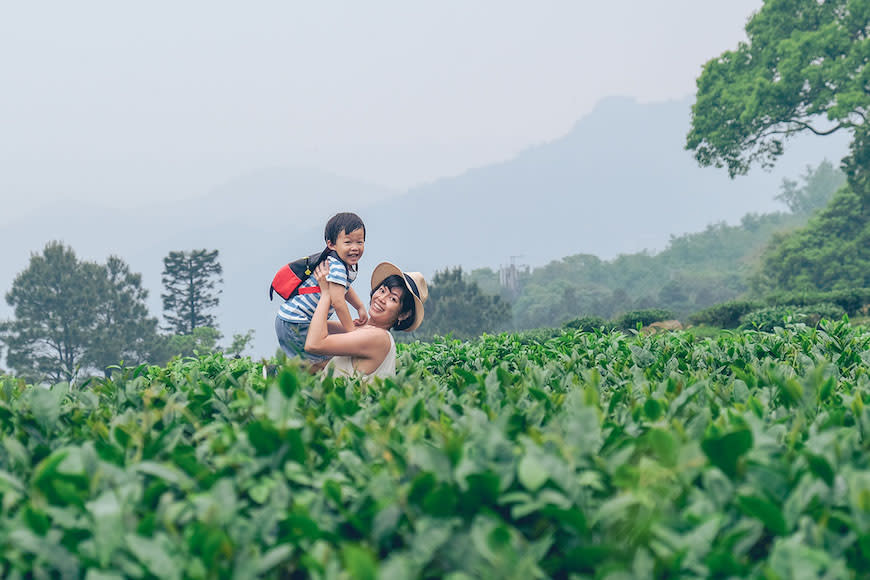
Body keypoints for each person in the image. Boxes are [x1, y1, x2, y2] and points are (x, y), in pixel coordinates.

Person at [304, 260, 427, 379]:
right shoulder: (362, 331)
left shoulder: (379, 337)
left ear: (403, 314)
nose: (381, 298)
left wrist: (326, 294)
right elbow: (308, 328)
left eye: (393, 299)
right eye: (382, 290)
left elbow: (314, 344)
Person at [275, 212, 368, 364]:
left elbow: (345, 288)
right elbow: (338, 302)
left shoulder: (343, 264)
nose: (355, 248)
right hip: (296, 323)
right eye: (348, 242)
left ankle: (282, 371)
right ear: (331, 244)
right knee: (321, 363)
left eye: (360, 242)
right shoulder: (337, 266)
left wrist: (359, 307)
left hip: (291, 320)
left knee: (317, 359)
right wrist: (352, 334)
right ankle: (277, 373)